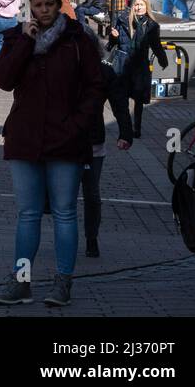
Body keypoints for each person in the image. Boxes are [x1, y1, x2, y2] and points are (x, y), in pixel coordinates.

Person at [0, 0, 106, 307]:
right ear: (29, 7)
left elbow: (96, 87)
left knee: (65, 212)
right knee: (27, 213)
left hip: (65, 139)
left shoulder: (77, 40)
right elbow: (2, 79)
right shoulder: (17, 37)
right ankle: (21, 281)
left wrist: (78, 124)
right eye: (37, 5)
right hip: (25, 138)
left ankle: (62, 282)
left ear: (58, 5)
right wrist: (26, 42)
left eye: (49, 5)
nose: (43, 11)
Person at [81, 23, 133, 259]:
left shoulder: (104, 71)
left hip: (92, 141)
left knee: (91, 194)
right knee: (65, 196)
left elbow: (120, 104)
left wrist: (125, 133)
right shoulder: (61, 68)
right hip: (64, 141)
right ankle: (71, 238)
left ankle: (91, 238)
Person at [108, 0, 168, 139]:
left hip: (140, 65)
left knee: (139, 98)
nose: (138, 8)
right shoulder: (123, 19)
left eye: (141, 5)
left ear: (147, 7)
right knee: (121, 97)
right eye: (136, 5)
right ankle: (125, 127)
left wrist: (162, 58)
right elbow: (112, 43)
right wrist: (113, 37)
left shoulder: (152, 25)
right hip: (123, 63)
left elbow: (156, 45)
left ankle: (137, 128)